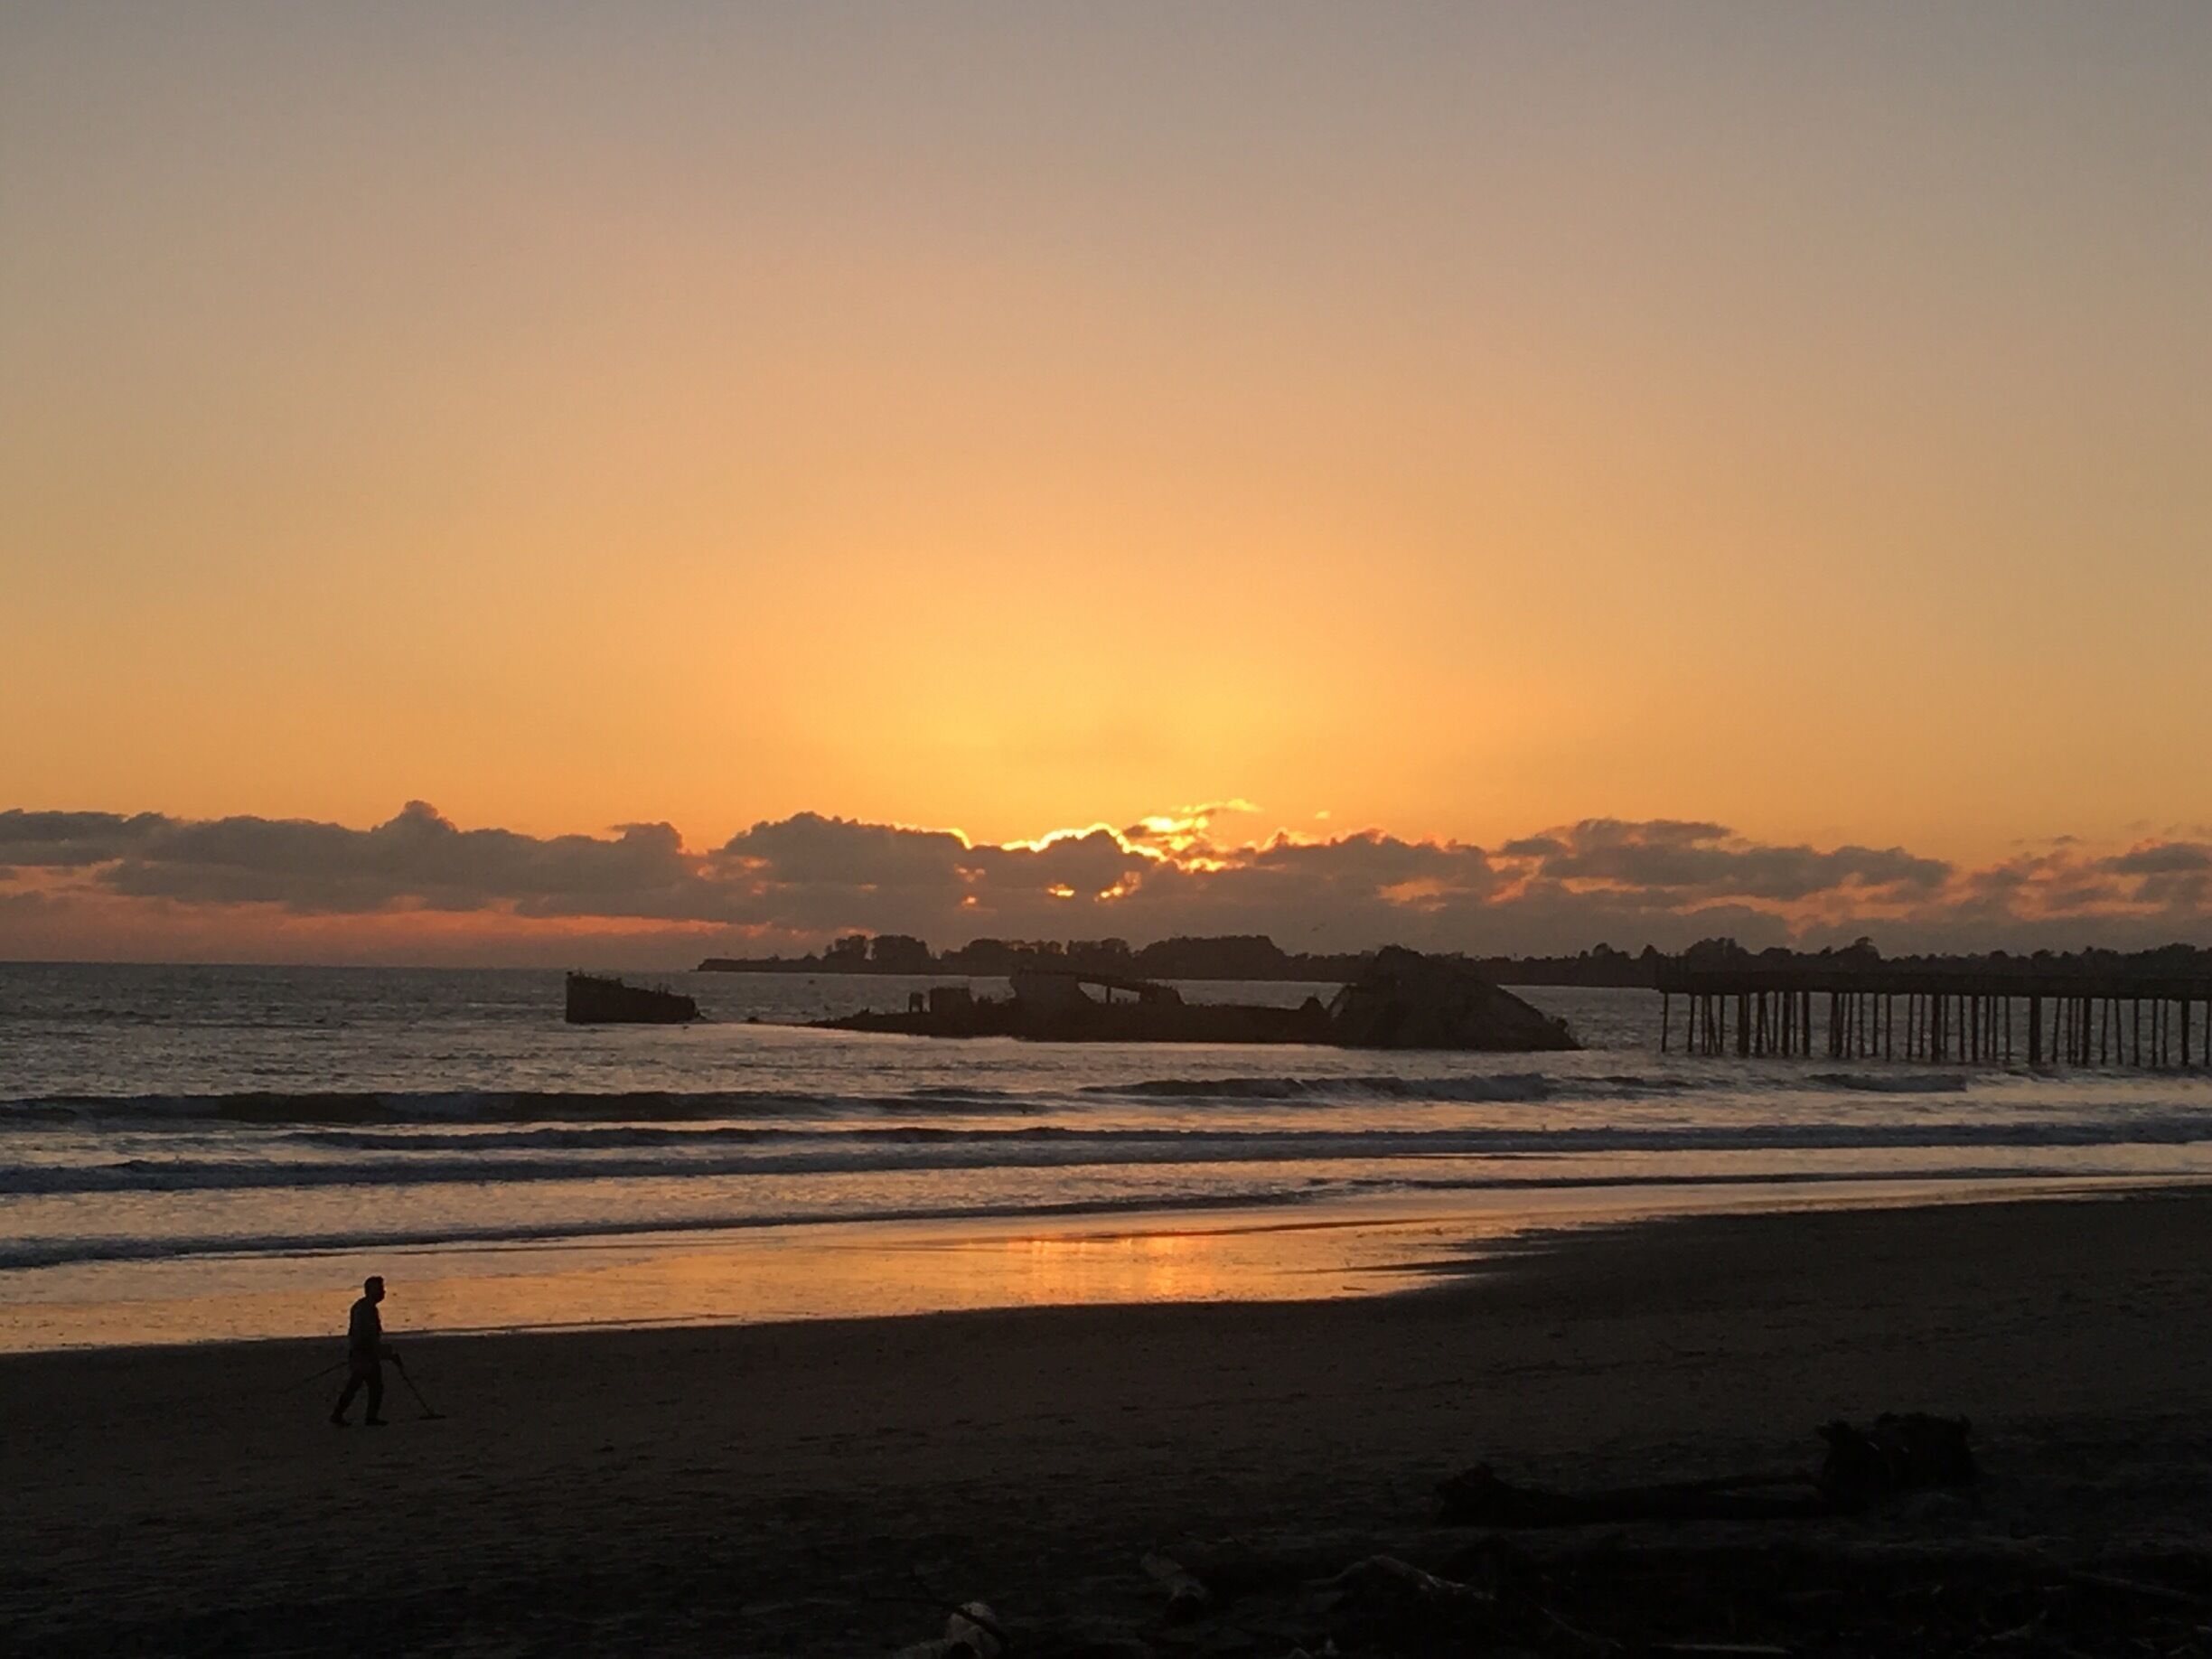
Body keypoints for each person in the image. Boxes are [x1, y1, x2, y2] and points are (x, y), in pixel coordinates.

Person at [330, 1275, 393, 1426]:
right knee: (364, 1386)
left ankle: (359, 1416)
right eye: (380, 1289)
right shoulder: (363, 1309)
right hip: (363, 1355)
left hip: (366, 1354)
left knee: (367, 1386)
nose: (383, 1292)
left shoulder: (368, 1308)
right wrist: (373, 1352)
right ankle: (355, 1416)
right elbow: (363, 1335)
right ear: (370, 1291)